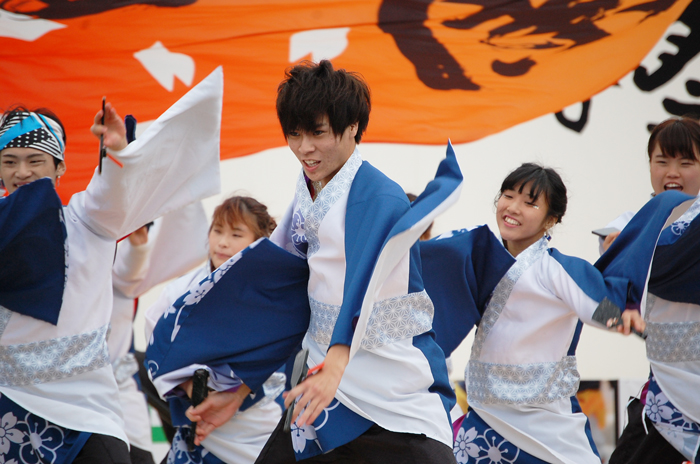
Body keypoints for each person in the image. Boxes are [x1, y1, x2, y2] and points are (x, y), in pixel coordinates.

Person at [0, 68, 222, 463]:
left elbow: (111, 195)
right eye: (9, 161)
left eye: (35, 160)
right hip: (11, 406)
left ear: (60, 167)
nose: (21, 171)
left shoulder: (87, 220)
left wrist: (118, 153)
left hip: (89, 411)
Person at [451, 163, 645, 464]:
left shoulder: (555, 268)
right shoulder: (483, 259)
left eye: (530, 202)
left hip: (545, 426)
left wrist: (621, 317)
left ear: (551, 218)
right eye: (508, 195)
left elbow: (596, 305)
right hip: (485, 418)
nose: (513, 208)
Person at [143, 195, 285, 464]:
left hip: (252, 426)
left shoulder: (271, 295)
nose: (222, 242)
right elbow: (156, 340)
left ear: (259, 242)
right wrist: (187, 384)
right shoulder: (181, 290)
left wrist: (235, 390)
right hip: (195, 417)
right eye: (217, 231)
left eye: (236, 234)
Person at [604, 117, 700, 464]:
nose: (672, 172)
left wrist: (639, 257)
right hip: (667, 391)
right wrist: (625, 317)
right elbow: (603, 307)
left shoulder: (631, 236)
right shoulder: (627, 225)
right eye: (662, 161)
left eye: (686, 162)